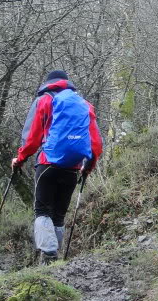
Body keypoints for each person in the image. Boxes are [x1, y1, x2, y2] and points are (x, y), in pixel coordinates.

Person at [11, 70, 103, 262]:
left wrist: (20, 159)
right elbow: (95, 144)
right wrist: (88, 168)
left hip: (48, 164)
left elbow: (32, 138)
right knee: (59, 215)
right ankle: (54, 261)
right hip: (73, 167)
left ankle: (49, 255)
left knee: (43, 210)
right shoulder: (84, 105)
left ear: (49, 83)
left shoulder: (44, 101)